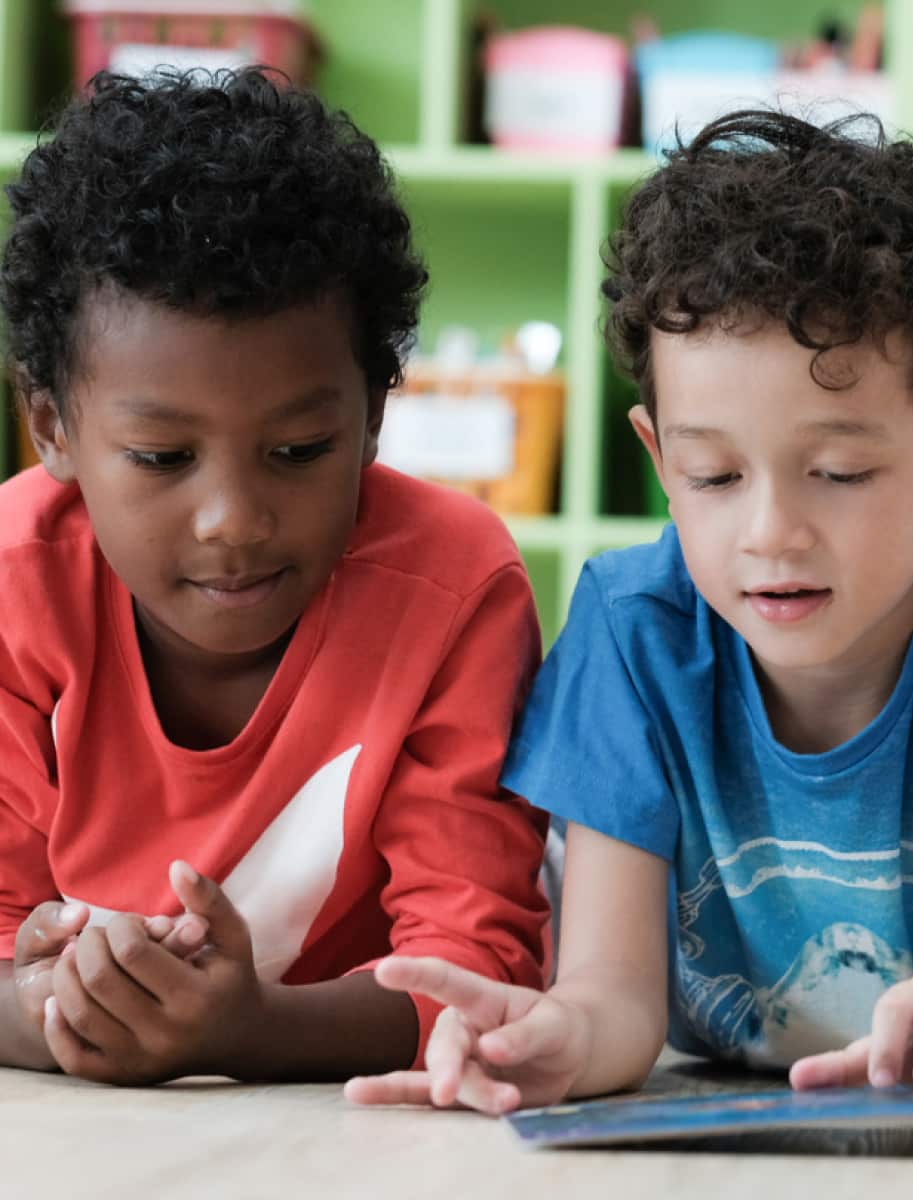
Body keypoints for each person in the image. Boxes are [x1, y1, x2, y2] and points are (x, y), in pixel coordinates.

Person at [345, 110, 913, 1114]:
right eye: (713, 473)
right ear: (661, 460)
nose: (770, 532)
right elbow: (614, 1004)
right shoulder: (632, 631)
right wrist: (555, 1039)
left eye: (837, 471)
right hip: (784, 1085)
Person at [0, 68, 548, 1086]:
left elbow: (482, 969)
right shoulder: (13, 587)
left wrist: (248, 1030)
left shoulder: (455, 591)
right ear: (51, 428)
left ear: (375, 413)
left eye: (298, 449)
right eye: (163, 459)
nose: (233, 521)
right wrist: (53, 1014)